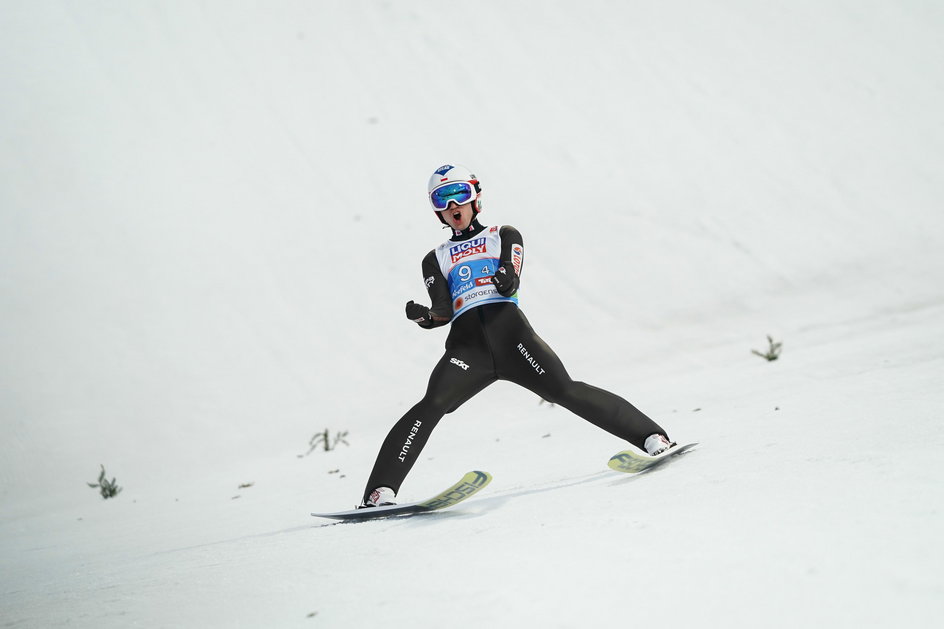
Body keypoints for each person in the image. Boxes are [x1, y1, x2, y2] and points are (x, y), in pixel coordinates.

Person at [359, 164, 675, 507]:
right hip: (469, 351)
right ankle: (379, 492)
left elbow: (512, 273)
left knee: (565, 390)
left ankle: (652, 437)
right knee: (431, 405)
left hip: (512, 339)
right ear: (436, 209)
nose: (453, 207)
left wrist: (506, 279)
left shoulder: (502, 234)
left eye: (459, 195)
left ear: (475, 198)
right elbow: (443, 311)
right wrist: (426, 317)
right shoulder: (434, 258)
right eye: (442, 199)